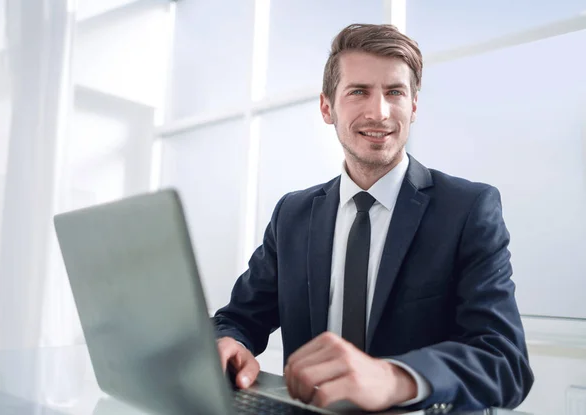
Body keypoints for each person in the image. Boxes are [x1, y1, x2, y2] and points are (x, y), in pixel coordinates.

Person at [212, 23, 534, 412]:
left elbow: (505, 363)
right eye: (359, 91)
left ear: (413, 106)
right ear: (327, 107)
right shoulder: (292, 215)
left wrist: (394, 377)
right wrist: (229, 342)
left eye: (395, 92)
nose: (379, 112)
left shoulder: (468, 209)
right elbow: (240, 317)